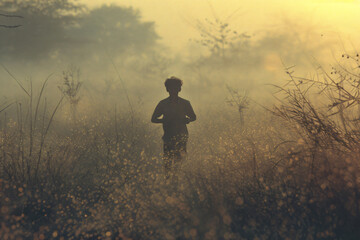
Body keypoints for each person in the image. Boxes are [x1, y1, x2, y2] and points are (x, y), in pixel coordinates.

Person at [151, 76, 196, 178]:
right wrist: (165, 120)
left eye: (175, 88)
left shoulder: (185, 103)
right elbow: (153, 119)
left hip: (182, 136)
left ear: (179, 89)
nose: (173, 90)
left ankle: (179, 180)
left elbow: (193, 117)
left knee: (180, 161)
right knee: (168, 162)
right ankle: (169, 182)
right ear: (167, 89)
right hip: (168, 136)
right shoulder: (163, 104)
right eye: (171, 88)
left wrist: (187, 120)